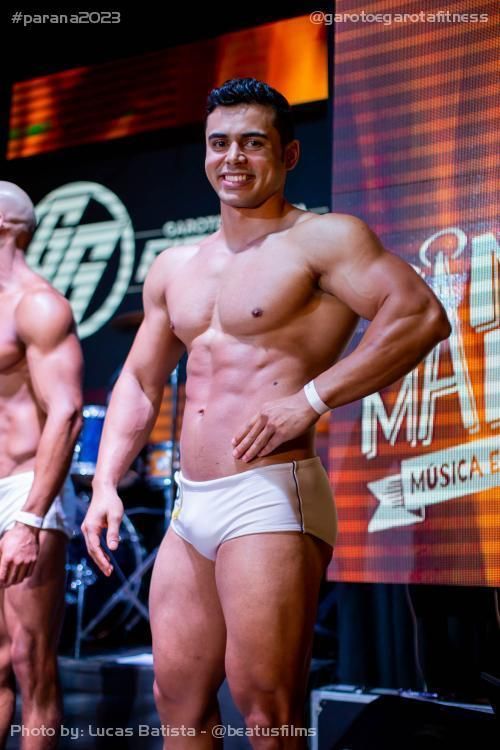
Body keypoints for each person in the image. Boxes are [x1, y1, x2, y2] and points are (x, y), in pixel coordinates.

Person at [82, 78, 451, 749]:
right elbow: (139, 379)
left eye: (253, 143)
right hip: (191, 503)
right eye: (219, 143)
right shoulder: (175, 265)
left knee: (265, 707)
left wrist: (309, 400)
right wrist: (106, 481)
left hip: (270, 494)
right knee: (176, 700)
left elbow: (421, 316)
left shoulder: (324, 239)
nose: (233, 158)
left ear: (289, 154)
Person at [0, 182, 83, 750]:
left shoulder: (38, 304)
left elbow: (67, 414)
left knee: (30, 659)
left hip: (28, 488)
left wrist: (29, 519)